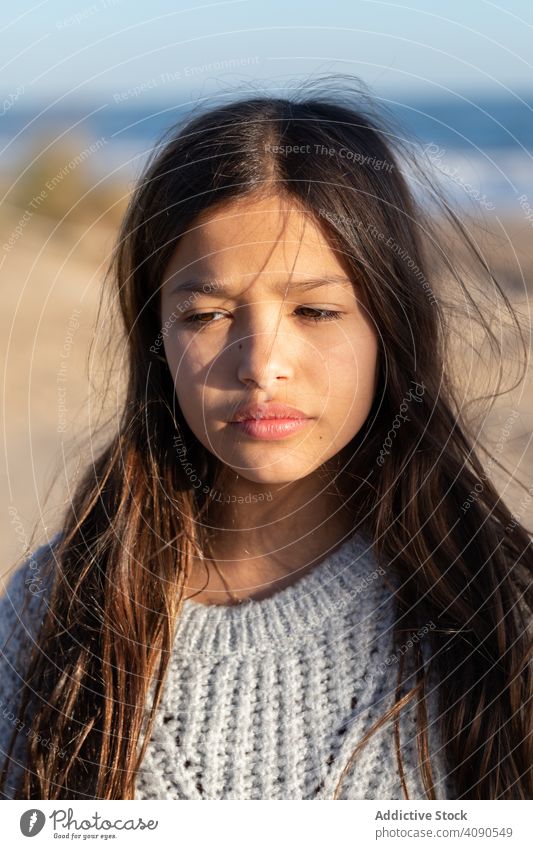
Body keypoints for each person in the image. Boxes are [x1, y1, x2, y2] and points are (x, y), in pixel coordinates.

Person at [1, 78, 531, 801]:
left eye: (314, 310)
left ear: (389, 326)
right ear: (154, 335)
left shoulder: (500, 610)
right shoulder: (55, 611)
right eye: (206, 314)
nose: (260, 365)